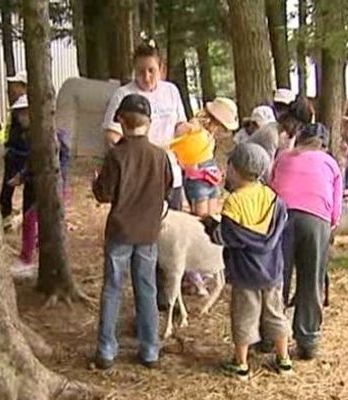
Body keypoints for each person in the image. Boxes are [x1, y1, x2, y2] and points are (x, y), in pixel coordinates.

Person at [92, 94, 173, 370]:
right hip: (148, 233)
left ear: (122, 122)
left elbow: (104, 194)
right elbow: (168, 188)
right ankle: (150, 349)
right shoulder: (160, 156)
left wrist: (95, 183)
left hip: (120, 232)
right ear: (148, 123)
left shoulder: (116, 155)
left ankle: (106, 349)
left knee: (113, 289)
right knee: (147, 289)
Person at [202, 143, 292, 380]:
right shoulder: (273, 198)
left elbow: (228, 236)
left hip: (245, 274)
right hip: (272, 270)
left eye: (229, 165)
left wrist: (212, 227)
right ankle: (284, 360)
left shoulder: (234, 202)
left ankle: (240, 363)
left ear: (236, 169)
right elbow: (280, 224)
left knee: (244, 316)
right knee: (275, 313)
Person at [270, 123, 343, 360]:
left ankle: (270, 335)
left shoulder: (282, 157)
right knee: (311, 279)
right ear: (323, 144)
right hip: (315, 219)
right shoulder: (330, 163)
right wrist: (329, 226)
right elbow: (336, 207)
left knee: (278, 277)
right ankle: (308, 340)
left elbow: (272, 187)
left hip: (282, 214)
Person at [103, 39, 186, 211]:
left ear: (162, 70)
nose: (146, 77)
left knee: (173, 228)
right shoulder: (123, 94)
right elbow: (112, 134)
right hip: (139, 177)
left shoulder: (171, 91)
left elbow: (179, 125)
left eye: (151, 71)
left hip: (171, 172)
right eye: (141, 72)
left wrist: (190, 129)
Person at [169, 97, 238, 296]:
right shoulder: (194, 128)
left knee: (210, 222)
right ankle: (193, 273)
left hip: (209, 177)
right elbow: (180, 138)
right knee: (199, 223)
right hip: (198, 179)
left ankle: (204, 268)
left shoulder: (209, 134)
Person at [7, 95, 71, 277]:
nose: (21, 118)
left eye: (24, 113)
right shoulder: (30, 136)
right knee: (31, 221)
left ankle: (28, 260)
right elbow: (33, 161)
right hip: (36, 186)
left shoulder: (56, 136)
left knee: (33, 222)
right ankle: (31, 257)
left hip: (51, 187)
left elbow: (61, 163)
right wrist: (22, 176)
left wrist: (58, 184)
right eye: (19, 115)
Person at [0, 71, 29, 229]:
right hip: (13, 153)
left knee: (29, 186)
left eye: (16, 85)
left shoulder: (27, 108)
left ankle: (28, 219)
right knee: (7, 186)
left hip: (23, 154)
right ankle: (5, 212)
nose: (12, 89)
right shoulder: (17, 108)